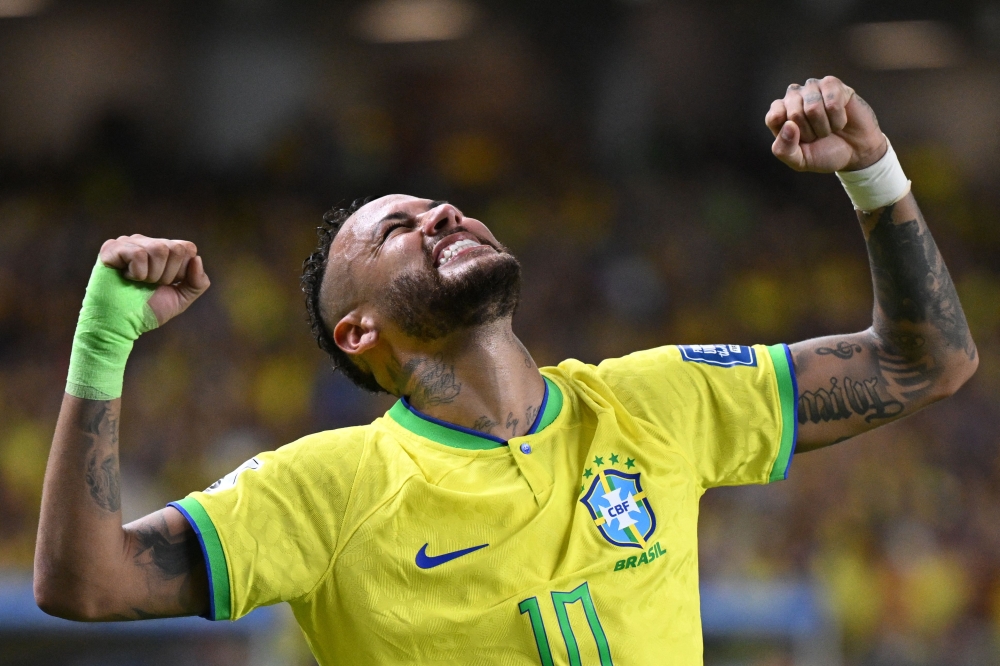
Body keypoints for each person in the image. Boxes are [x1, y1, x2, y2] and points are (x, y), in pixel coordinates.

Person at [34, 76, 977, 665]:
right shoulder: (327, 488)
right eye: (397, 231)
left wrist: (876, 174)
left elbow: (927, 361)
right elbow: (87, 585)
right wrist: (100, 349)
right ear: (358, 334)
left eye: (441, 208)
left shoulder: (659, 399)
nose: (441, 215)